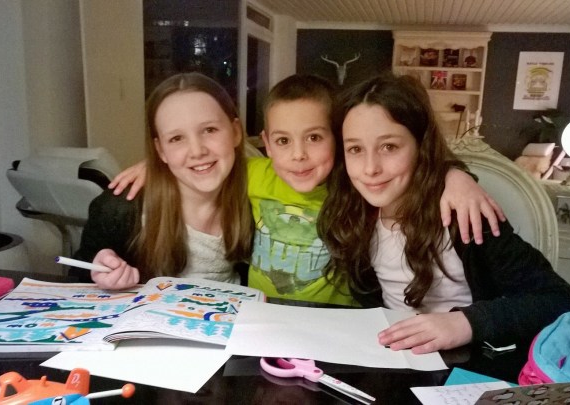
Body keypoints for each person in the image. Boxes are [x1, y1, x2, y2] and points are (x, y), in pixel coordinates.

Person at [108, 74, 505, 305]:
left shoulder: (353, 184)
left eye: (315, 138)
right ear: (267, 143)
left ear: (338, 140)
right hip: (260, 319)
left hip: (337, 325)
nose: (298, 156)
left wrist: (455, 174)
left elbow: (400, 166)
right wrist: (157, 165)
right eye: (283, 141)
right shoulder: (253, 174)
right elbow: (205, 160)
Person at [318, 73, 570, 353]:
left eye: (389, 147)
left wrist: (466, 323)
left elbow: (560, 301)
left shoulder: (465, 214)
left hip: (465, 362)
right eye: (355, 149)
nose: (371, 168)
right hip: (392, 358)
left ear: (421, 147)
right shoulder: (353, 215)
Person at [74, 72, 253, 290]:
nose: (197, 151)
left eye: (209, 130)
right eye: (176, 138)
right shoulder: (120, 209)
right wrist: (99, 273)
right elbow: (78, 276)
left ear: (236, 132)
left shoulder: (260, 197)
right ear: (161, 150)